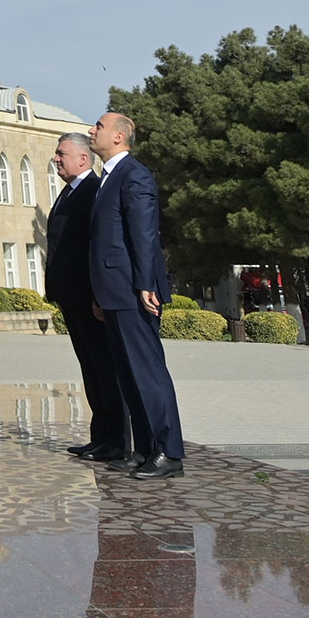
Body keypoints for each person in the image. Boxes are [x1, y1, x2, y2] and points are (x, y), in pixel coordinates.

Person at [87, 111, 186, 480]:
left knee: (147, 372)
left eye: (99, 126)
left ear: (118, 136)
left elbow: (143, 233)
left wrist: (145, 283)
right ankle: (144, 449)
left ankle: (169, 452)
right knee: (128, 375)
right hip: (113, 291)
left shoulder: (134, 174)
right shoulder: (108, 178)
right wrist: (99, 292)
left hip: (133, 291)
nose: (91, 130)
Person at [44, 132, 131, 461]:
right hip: (71, 296)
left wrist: (98, 295)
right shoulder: (69, 192)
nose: (56, 159)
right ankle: (101, 437)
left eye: (61, 153)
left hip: (90, 298)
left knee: (104, 368)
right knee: (91, 369)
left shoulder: (94, 191)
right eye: (56, 153)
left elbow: (97, 246)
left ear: (83, 159)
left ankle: (116, 441)